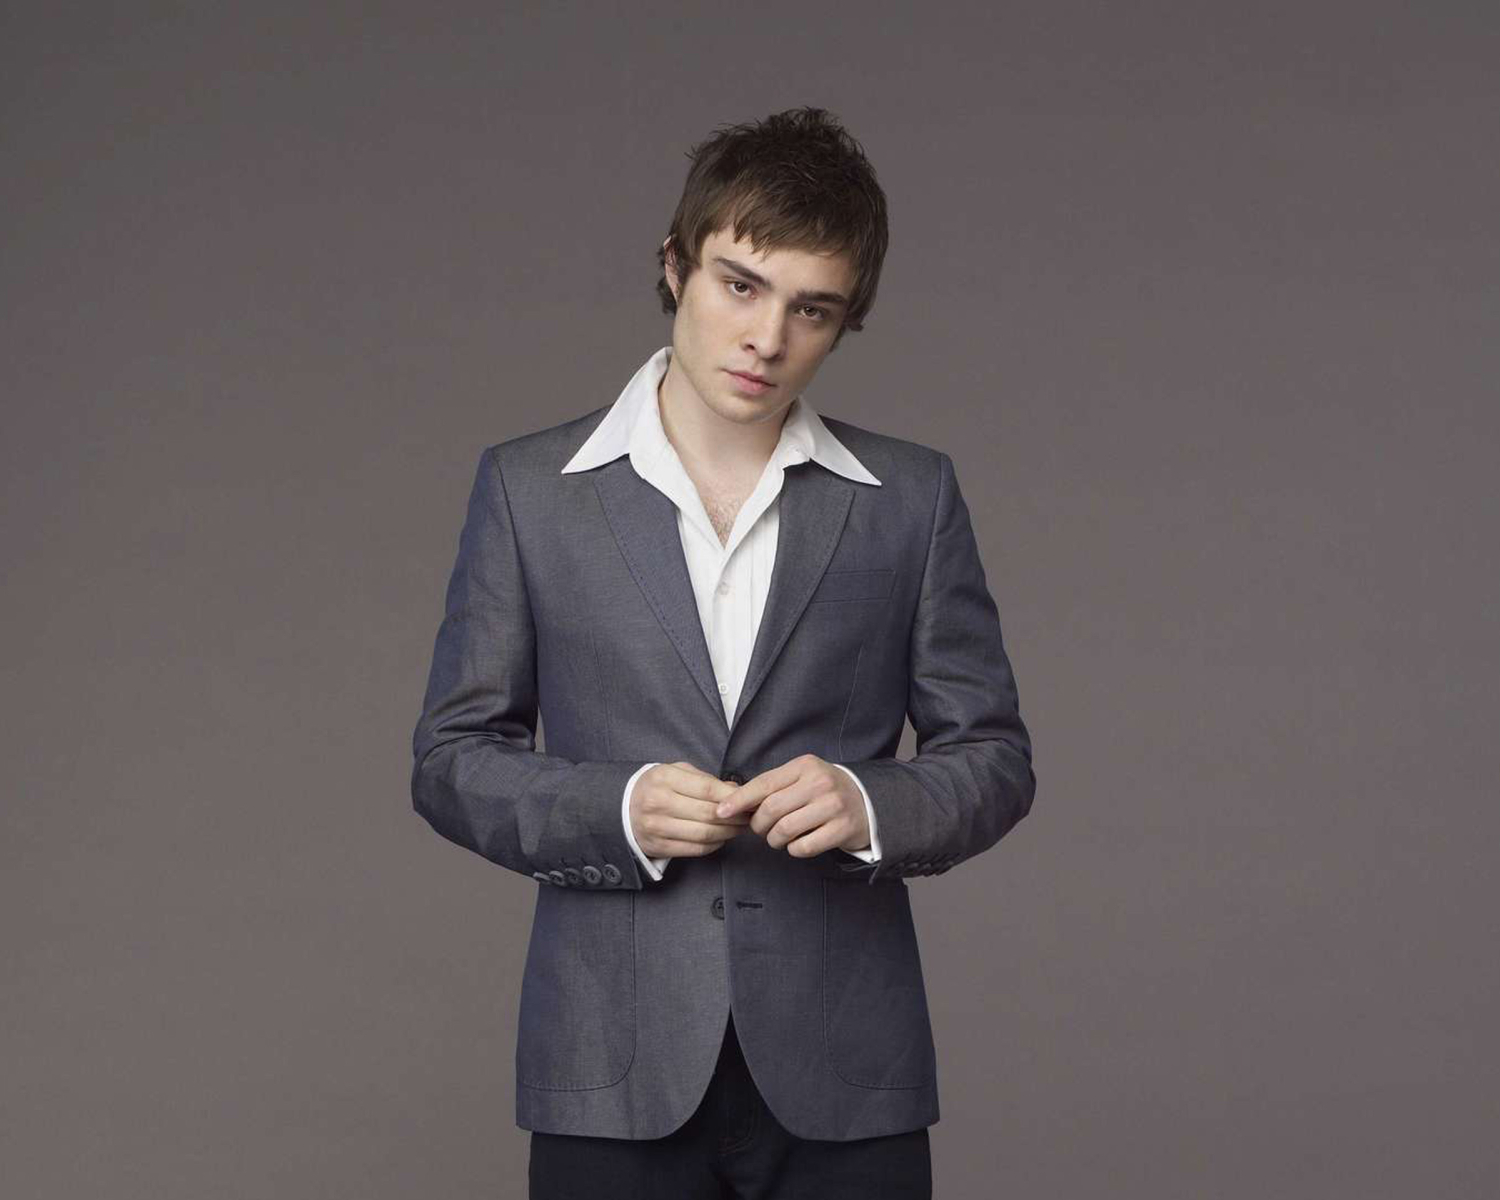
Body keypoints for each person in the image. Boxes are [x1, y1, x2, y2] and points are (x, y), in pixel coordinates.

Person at [409, 105, 1035, 1199]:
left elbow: (993, 757)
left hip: (849, 1068)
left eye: (811, 309)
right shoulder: (529, 492)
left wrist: (868, 803)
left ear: (843, 323)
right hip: (611, 1064)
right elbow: (451, 759)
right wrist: (616, 808)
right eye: (740, 286)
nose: (767, 339)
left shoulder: (909, 498)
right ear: (675, 265)